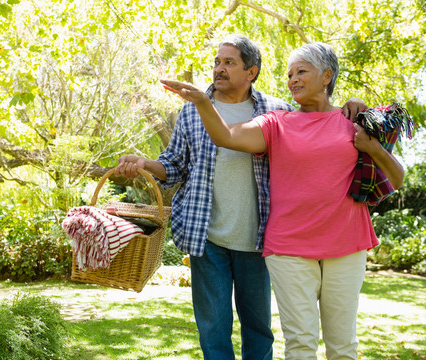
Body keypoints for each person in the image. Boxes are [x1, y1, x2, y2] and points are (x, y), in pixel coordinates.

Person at [115, 35, 366, 360]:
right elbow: (174, 166)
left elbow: (320, 126)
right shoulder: (191, 114)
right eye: (217, 62)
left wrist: (354, 102)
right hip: (206, 236)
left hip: (259, 238)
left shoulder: (278, 110)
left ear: (252, 71)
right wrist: (146, 164)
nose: (219, 69)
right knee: (213, 329)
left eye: (229, 62)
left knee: (258, 330)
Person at [160, 42, 404, 360]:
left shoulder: (355, 121)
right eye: (289, 74)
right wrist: (204, 102)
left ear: (327, 75)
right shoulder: (277, 122)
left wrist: (372, 147)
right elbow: (226, 136)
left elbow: (396, 179)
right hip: (289, 248)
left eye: (301, 71)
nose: (293, 80)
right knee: (300, 343)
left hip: (346, 244)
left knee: (343, 345)